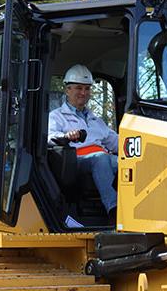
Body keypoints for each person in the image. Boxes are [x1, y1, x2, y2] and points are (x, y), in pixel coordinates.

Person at [48, 64, 118, 224]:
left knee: (132, 163)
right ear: (67, 90)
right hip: (77, 161)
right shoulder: (57, 116)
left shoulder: (96, 121)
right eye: (78, 88)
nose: (83, 93)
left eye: (87, 89)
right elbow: (50, 137)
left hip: (104, 160)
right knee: (100, 158)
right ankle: (114, 210)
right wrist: (66, 136)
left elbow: (118, 143)